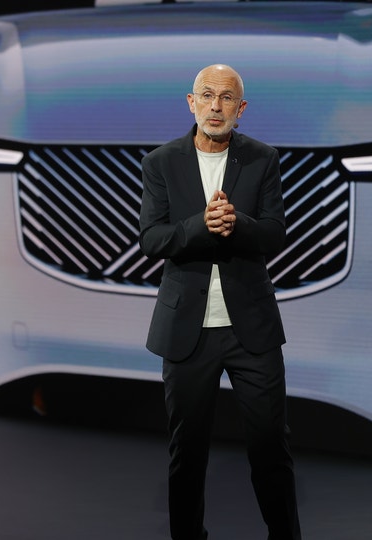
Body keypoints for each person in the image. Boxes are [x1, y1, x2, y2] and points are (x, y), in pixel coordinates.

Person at [139, 64, 301, 540]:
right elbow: (151, 239)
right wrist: (200, 226)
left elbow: (275, 233)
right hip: (187, 331)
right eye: (207, 96)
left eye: (227, 98)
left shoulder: (263, 159)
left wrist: (238, 223)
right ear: (191, 103)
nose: (216, 106)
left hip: (251, 329)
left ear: (240, 108)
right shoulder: (161, 162)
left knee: (271, 448)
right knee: (187, 452)